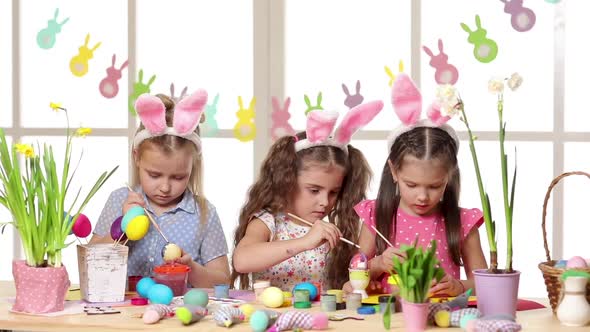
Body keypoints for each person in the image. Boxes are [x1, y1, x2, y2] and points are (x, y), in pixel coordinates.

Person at [354, 74, 487, 296]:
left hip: (442, 320)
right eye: (412, 185)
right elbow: (355, 274)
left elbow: (484, 281)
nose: (423, 196)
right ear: (394, 171)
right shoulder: (376, 215)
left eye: (434, 186)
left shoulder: (463, 222)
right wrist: (378, 264)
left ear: (449, 176)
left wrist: (459, 286)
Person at [231, 101, 384, 291]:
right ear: (286, 180)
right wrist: (304, 242)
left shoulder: (333, 230)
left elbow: (349, 284)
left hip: (322, 319)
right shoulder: (269, 222)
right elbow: (242, 260)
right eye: (314, 190)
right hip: (275, 318)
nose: (324, 202)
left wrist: (377, 266)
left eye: (334, 192)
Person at [90, 90, 230, 288]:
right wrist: (122, 228)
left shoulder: (204, 213)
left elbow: (223, 281)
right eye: (154, 175)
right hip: (123, 315)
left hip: (179, 315)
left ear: (193, 167)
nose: (165, 187)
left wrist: (190, 268)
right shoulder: (119, 200)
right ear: (137, 157)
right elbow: (90, 260)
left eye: (178, 177)